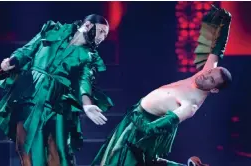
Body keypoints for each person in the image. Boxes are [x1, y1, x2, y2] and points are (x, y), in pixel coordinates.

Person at [91, 5, 232, 166]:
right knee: (110, 158)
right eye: (209, 72)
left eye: (211, 80)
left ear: (213, 89)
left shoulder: (190, 106)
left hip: (143, 127)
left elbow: (154, 129)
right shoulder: (205, 74)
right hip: (137, 116)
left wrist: (137, 119)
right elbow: (218, 48)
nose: (206, 74)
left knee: (123, 161)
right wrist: (226, 20)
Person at [0, 14, 114, 166]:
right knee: (25, 147)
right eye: (101, 31)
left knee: (56, 150)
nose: (103, 37)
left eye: (106, 34)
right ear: (88, 25)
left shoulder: (89, 56)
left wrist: (87, 103)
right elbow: (28, 49)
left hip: (57, 101)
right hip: (30, 91)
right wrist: (11, 61)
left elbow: (85, 81)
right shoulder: (53, 30)